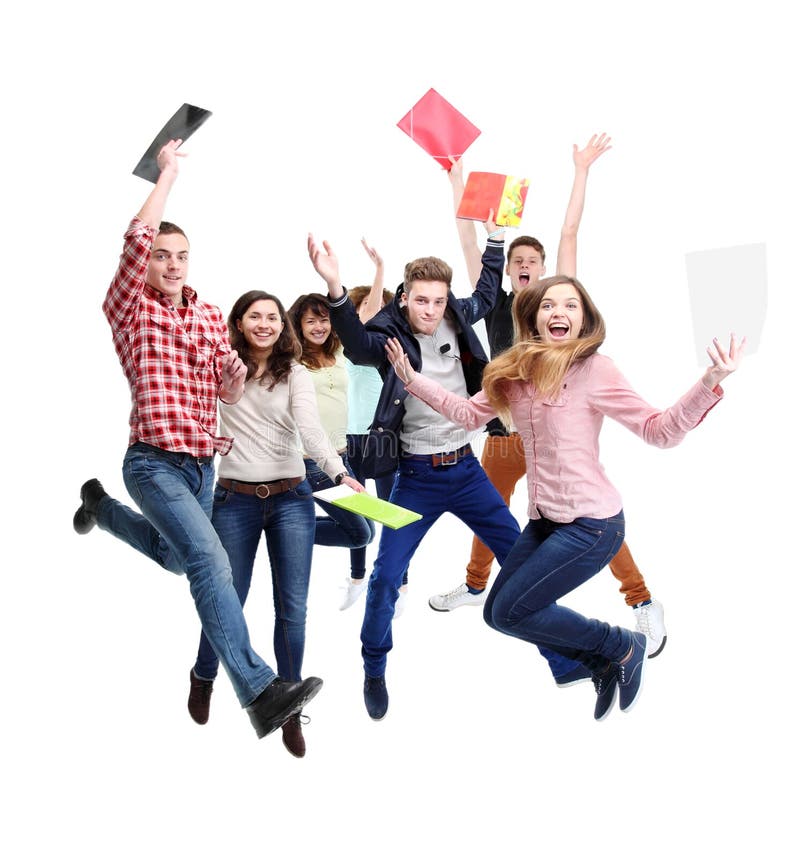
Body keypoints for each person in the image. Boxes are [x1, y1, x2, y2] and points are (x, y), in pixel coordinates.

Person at [385, 275, 744, 719]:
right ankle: (601, 662)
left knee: (515, 610)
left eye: (570, 306)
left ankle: (622, 646)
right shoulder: (515, 372)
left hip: (593, 525)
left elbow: (660, 430)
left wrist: (709, 382)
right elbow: (467, 415)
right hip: (543, 519)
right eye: (549, 305)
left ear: (583, 318)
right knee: (498, 614)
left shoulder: (596, 370)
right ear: (533, 317)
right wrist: (411, 379)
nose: (560, 313)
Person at [72, 139, 321, 741]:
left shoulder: (209, 314)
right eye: (161, 255)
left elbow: (227, 392)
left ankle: (100, 510)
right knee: (211, 561)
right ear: (147, 262)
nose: (172, 263)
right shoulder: (130, 307)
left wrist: (232, 378)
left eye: (181, 255)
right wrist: (168, 174)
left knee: (178, 558)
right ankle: (260, 690)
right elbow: (134, 239)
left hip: (201, 469)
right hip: (152, 463)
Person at [307, 223, 583, 721]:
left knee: (523, 561)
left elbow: (482, 291)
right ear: (404, 299)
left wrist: (495, 242)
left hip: (468, 471)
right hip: (416, 479)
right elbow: (355, 342)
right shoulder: (387, 337)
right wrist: (334, 290)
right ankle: (374, 666)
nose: (430, 311)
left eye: (437, 301)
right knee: (386, 576)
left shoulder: (457, 313)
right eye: (420, 301)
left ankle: (560, 657)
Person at [433, 136, 667, 662]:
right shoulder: (493, 299)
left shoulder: (558, 304)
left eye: (532, 260)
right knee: (490, 514)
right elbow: (467, 236)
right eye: (516, 257)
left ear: (543, 270)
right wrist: (455, 175)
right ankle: (476, 588)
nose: (523, 264)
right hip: (502, 434)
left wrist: (581, 170)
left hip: (560, 442)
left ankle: (642, 600)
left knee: (589, 526)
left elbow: (569, 230)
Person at [187, 291, 364, 757]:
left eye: (271, 317)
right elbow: (195, 413)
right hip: (235, 501)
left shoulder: (296, 373)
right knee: (229, 601)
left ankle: (286, 706)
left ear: (280, 325)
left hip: (291, 499)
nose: (264, 324)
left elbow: (310, 429)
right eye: (254, 316)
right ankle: (204, 674)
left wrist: (340, 472)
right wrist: (208, 441)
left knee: (292, 609)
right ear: (239, 322)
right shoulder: (221, 367)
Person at [343, 240, 410, 613]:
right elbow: (360, 318)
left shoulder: (386, 345)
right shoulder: (349, 346)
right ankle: (356, 577)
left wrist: (381, 271)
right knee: (355, 512)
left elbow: (372, 312)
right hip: (349, 440)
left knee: (390, 513)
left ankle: (397, 584)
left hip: (382, 438)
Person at [287, 293, 375, 572]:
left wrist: (379, 272)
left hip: (342, 455)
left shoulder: (338, 353)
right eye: (310, 321)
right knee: (358, 534)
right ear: (298, 326)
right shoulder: (291, 361)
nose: (318, 327)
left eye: (324, 320)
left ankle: (284, 525)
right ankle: (281, 529)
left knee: (368, 533)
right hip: (311, 462)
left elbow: (368, 318)